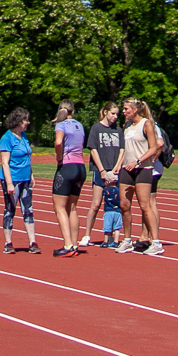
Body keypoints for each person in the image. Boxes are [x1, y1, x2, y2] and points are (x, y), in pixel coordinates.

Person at [117, 98, 165, 255]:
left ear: (135, 110)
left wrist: (138, 161)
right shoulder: (127, 126)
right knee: (124, 205)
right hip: (127, 168)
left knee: (145, 206)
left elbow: (153, 148)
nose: (123, 112)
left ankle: (156, 242)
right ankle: (127, 240)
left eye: (126, 109)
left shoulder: (146, 124)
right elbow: (125, 149)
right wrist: (119, 165)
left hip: (143, 168)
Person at [0, 108, 39, 255]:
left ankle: (32, 242)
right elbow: (5, 163)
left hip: (25, 179)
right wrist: (9, 183)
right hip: (13, 179)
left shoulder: (24, 136)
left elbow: (28, 157)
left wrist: (31, 174)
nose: (27, 123)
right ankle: (8, 243)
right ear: (17, 121)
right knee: (10, 209)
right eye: (25, 120)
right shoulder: (7, 139)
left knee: (28, 210)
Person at [83, 103, 125, 248]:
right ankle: (87, 235)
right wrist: (102, 170)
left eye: (117, 114)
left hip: (115, 171)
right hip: (100, 170)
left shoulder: (118, 130)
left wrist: (116, 168)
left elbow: (122, 150)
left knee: (115, 205)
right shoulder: (96, 128)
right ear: (106, 112)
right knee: (96, 204)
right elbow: (93, 149)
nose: (115, 117)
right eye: (113, 113)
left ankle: (111, 237)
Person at [49, 102, 88, 257]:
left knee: (59, 207)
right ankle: (74, 244)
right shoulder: (80, 125)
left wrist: (59, 156)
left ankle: (68, 245)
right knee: (72, 207)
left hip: (67, 166)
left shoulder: (61, 125)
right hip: (80, 168)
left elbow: (58, 142)